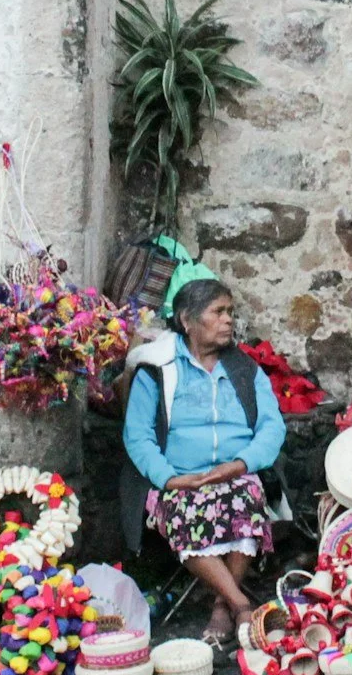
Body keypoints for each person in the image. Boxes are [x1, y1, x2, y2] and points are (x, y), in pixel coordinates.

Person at [122, 278, 286, 648]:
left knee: (245, 498)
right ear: (187, 319)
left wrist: (242, 464)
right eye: (218, 312)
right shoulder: (158, 370)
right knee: (186, 510)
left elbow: (271, 427)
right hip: (180, 478)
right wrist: (168, 479)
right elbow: (138, 435)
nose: (228, 320)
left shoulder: (245, 370)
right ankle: (241, 603)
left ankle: (221, 605)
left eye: (230, 312)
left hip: (236, 472)